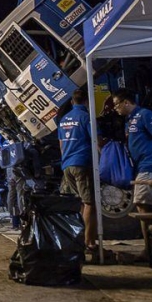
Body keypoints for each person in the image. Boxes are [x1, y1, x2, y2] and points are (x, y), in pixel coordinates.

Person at [112, 88, 152, 260]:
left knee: (142, 207)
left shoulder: (145, 115)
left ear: (126, 102)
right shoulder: (129, 119)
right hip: (141, 167)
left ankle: (149, 251)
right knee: (145, 208)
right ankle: (151, 249)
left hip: (150, 166)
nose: (116, 108)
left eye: (117, 104)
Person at [57, 89, 97, 251]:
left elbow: (61, 145)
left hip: (67, 165)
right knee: (89, 203)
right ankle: (87, 242)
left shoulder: (64, 120)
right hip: (81, 163)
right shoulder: (86, 117)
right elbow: (96, 140)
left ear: (72, 102)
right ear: (86, 102)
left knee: (80, 203)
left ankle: (79, 239)